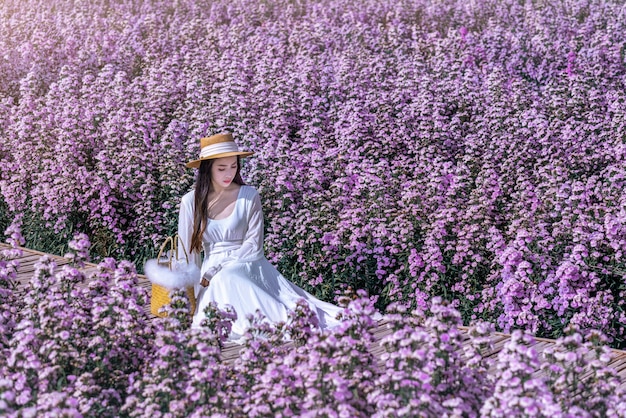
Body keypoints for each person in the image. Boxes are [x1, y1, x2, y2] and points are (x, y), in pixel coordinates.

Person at [178, 132, 344, 337]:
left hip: (248, 261)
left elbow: (254, 246)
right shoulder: (190, 202)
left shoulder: (248, 195)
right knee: (220, 284)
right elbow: (187, 252)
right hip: (209, 271)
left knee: (226, 277)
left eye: (233, 166)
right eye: (221, 168)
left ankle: (282, 322)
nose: (228, 173)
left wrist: (218, 269)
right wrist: (188, 291)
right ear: (207, 169)